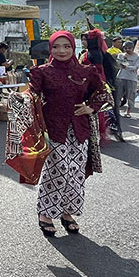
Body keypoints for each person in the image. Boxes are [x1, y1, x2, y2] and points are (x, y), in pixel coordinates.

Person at [29, 31, 110, 237]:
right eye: (56, 46)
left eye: (66, 46)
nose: (61, 50)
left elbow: (103, 93)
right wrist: (21, 100)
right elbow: (32, 95)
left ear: (73, 47)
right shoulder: (42, 72)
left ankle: (67, 212)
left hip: (79, 130)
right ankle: (46, 213)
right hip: (53, 128)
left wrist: (91, 107)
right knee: (58, 170)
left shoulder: (86, 71)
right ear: (50, 49)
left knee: (75, 172)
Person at [116, 41, 139, 118]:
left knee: (130, 95)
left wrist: (126, 67)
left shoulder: (138, 57)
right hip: (121, 77)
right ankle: (116, 110)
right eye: (126, 48)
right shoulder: (121, 55)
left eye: (129, 48)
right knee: (118, 95)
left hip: (132, 78)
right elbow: (119, 64)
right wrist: (124, 60)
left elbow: (135, 67)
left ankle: (128, 111)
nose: (127, 50)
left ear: (133, 48)